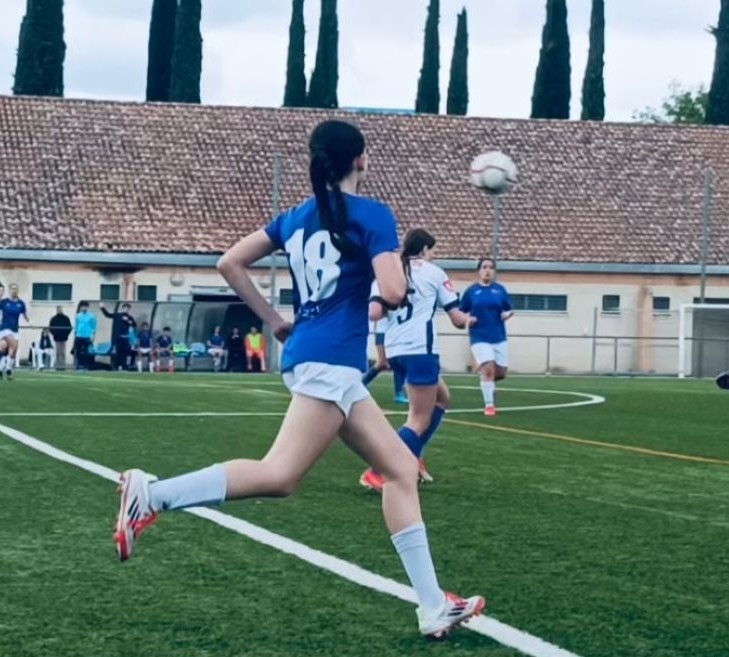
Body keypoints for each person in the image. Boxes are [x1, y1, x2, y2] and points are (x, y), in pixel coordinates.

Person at [113, 119, 484, 639]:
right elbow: (394, 291)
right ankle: (152, 494)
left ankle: (432, 605)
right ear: (361, 159)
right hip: (329, 361)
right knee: (280, 475)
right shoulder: (372, 215)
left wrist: (274, 319)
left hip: (323, 359)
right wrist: (399, 269)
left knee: (400, 468)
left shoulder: (295, 217)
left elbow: (229, 262)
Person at [360, 229, 474, 491]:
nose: (433, 256)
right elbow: (457, 318)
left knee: (442, 398)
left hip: (395, 349)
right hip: (421, 349)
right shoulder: (434, 273)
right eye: (432, 250)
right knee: (419, 419)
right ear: (424, 249)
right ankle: (378, 471)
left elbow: (374, 312)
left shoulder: (388, 271)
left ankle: (412, 457)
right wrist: (469, 319)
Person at [459, 258, 514, 416]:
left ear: (494, 271)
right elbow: (461, 311)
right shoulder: (471, 291)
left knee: (500, 373)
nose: (487, 270)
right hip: (479, 336)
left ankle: (487, 379)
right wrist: (467, 319)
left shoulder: (500, 290)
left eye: (491, 267)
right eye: (484, 267)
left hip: (498, 335)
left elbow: (509, 309)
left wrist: (507, 315)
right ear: (479, 271)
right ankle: (489, 406)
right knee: (488, 369)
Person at [361, 320, 408, 403]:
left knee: (396, 362)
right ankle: (362, 383)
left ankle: (399, 393)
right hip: (382, 334)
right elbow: (375, 316)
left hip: (392, 333)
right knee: (382, 363)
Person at [0, 283, 30, 379]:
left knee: (8, 348)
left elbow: (24, 314)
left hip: (15, 329)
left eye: (16, 289)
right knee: (14, 345)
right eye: (12, 289)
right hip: (5, 328)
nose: (14, 290)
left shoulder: (20, 303)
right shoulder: (4, 302)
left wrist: (29, 322)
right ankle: (7, 368)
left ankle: (3, 369)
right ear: (9, 290)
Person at [100, 302, 137, 371]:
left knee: (124, 353)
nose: (126, 310)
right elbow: (107, 315)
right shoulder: (117, 315)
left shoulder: (129, 317)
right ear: (122, 308)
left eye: (128, 309)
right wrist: (102, 308)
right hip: (117, 337)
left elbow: (134, 324)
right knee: (117, 352)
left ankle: (124, 366)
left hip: (125, 337)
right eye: (125, 308)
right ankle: (116, 366)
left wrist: (128, 321)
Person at [73, 302, 96, 370]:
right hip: (79, 336)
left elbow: (94, 327)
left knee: (86, 351)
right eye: (83, 307)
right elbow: (76, 326)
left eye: (85, 307)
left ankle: (86, 365)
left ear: (87, 307)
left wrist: (93, 335)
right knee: (78, 351)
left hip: (87, 336)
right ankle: (79, 365)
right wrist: (75, 333)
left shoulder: (92, 316)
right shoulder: (78, 316)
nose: (84, 308)